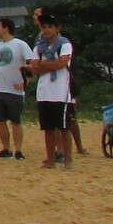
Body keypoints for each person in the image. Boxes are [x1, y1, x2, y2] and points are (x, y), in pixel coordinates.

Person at [30, 10, 75, 170]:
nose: (47, 30)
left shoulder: (65, 44)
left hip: (61, 93)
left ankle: (68, 159)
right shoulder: (38, 46)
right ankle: (50, 159)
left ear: (57, 28)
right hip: (44, 92)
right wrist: (48, 64)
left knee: (64, 128)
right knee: (47, 129)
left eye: (50, 26)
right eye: (44, 27)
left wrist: (43, 64)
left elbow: (61, 64)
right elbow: (34, 69)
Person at [0, 18, 35, 160]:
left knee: (16, 121)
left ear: (6, 28)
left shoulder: (20, 45)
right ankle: (6, 148)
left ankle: (18, 150)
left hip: (14, 90)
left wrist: (26, 81)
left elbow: (31, 64)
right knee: (0, 120)